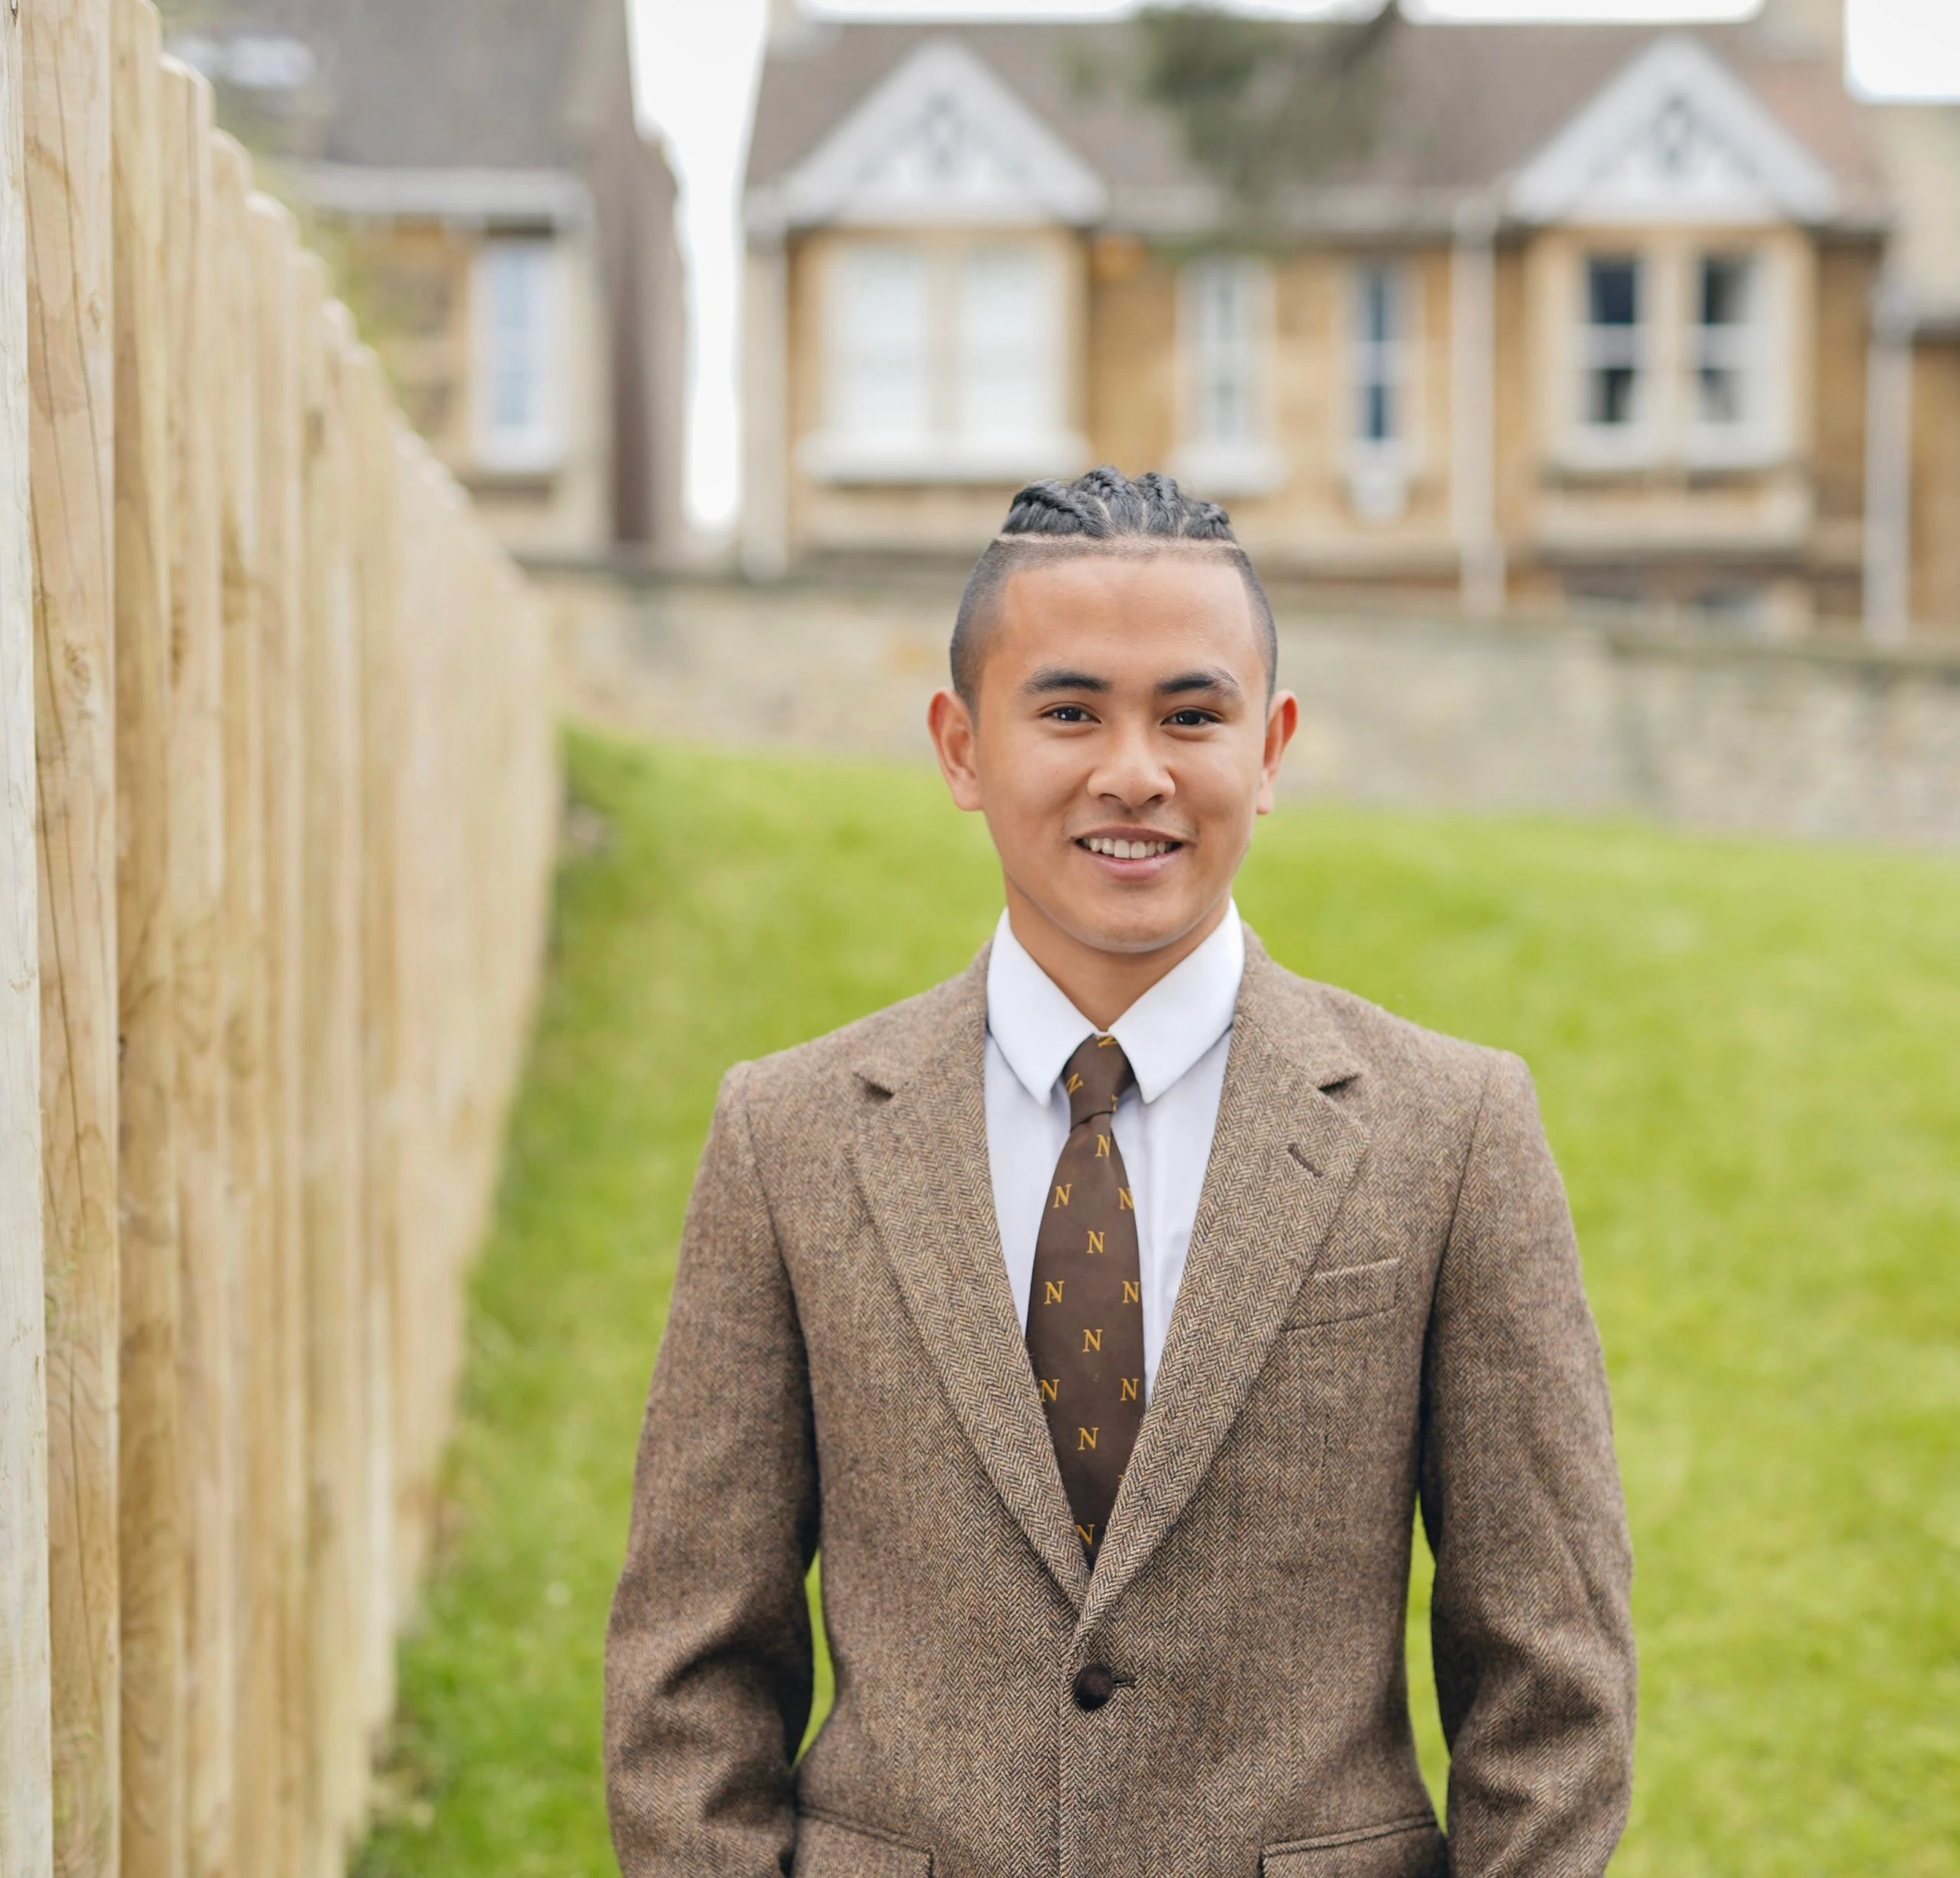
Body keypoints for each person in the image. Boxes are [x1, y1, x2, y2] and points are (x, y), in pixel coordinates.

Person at [604, 468, 1635, 1878]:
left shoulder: (1451, 1130)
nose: (1136, 770)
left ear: (1269, 750)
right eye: (1072, 710)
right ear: (962, 747)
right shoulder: (787, 1136)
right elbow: (688, 1677)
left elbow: (1555, 1690)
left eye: (1192, 715)